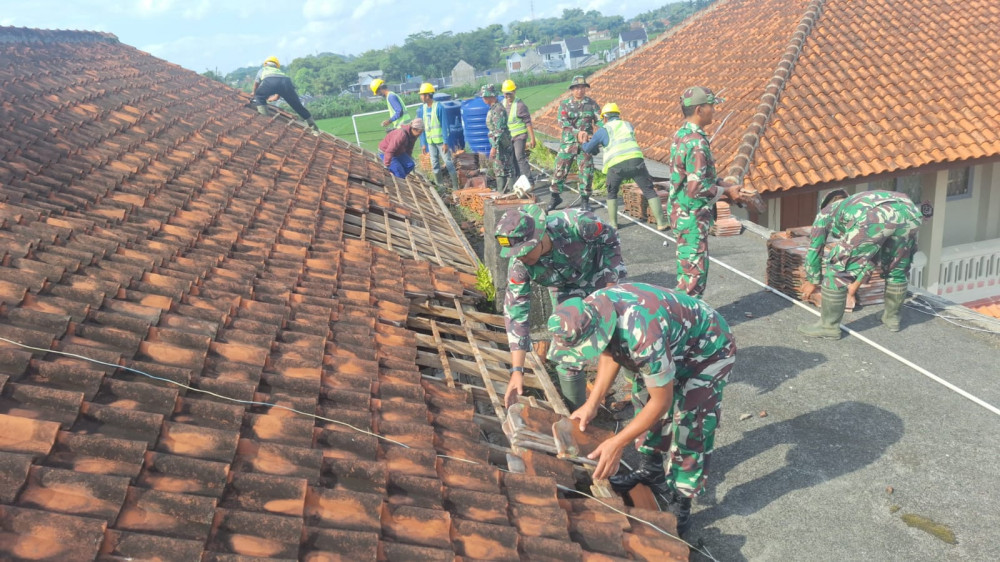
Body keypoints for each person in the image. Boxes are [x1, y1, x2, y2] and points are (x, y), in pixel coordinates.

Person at [547, 282, 736, 533]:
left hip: (707, 349)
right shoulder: (592, 308)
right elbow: (609, 351)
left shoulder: (642, 333)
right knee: (643, 398)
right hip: (669, 341)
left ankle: (681, 498)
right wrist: (592, 404)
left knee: (692, 422)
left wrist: (618, 442)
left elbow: (663, 401)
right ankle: (652, 469)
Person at [496, 204, 625, 409]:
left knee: (617, 336)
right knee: (566, 351)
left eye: (525, 251)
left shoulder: (578, 225)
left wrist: (610, 287)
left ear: (539, 237)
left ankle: (635, 385)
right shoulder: (520, 265)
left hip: (597, 273)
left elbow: (610, 239)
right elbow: (516, 313)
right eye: (516, 253)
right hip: (563, 287)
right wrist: (517, 370)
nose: (521, 257)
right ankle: (580, 414)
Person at [799, 190, 929, 337]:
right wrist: (853, 288)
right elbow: (872, 255)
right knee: (897, 268)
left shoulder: (825, 212)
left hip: (873, 218)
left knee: (837, 268)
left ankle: (828, 327)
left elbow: (815, 249)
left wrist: (813, 280)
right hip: (909, 212)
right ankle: (892, 318)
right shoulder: (858, 202)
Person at [668, 86, 745, 298]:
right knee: (693, 279)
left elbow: (691, 176)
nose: (714, 110)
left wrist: (723, 184)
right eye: (711, 106)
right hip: (691, 216)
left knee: (687, 274)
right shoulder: (697, 143)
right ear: (700, 110)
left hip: (682, 212)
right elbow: (696, 188)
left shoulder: (682, 134)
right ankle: (686, 324)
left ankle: (682, 319)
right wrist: (726, 193)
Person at [581, 102, 668, 230]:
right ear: (618, 115)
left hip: (616, 166)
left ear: (605, 118)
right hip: (636, 163)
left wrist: (584, 140)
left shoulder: (603, 130)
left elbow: (589, 149)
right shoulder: (628, 125)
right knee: (649, 191)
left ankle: (614, 224)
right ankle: (661, 223)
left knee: (612, 193)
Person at [549, 75, 601, 212]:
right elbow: (563, 122)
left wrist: (606, 131)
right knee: (559, 170)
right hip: (568, 143)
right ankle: (555, 197)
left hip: (585, 144)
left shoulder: (592, 104)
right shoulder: (565, 104)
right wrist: (577, 132)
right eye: (577, 88)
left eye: (582, 87)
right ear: (572, 89)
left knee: (587, 172)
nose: (580, 90)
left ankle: (585, 200)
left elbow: (599, 121)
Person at [251, 56, 318, 132]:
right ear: (276, 65)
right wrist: (274, 98)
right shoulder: (279, 71)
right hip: (286, 82)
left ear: (266, 64)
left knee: (259, 97)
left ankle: (266, 121)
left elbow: (256, 83)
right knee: (297, 105)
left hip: (270, 81)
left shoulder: (262, 70)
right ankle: (314, 128)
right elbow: (279, 88)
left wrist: (254, 93)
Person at [416, 82, 460, 192]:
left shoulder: (439, 107)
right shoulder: (423, 109)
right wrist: (423, 143)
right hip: (430, 141)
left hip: (441, 141)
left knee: (448, 162)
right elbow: (422, 127)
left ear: (427, 95)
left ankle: (455, 187)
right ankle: (440, 186)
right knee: (434, 164)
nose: (421, 97)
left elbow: (445, 126)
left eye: (422, 94)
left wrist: (445, 142)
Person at [482, 84, 517, 193]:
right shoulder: (494, 108)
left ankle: (507, 191)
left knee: (503, 167)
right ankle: (503, 191)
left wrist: (494, 147)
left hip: (501, 144)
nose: (483, 99)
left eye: (484, 96)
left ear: (489, 96)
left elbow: (499, 131)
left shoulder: (498, 109)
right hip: (498, 143)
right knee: (500, 167)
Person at [501, 79, 537, 182]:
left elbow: (528, 122)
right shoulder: (502, 103)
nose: (508, 96)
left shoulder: (520, 105)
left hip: (519, 136)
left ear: (514, 91)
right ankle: (518, 180)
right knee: (512, 159)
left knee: (519, 157)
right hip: (508, 137)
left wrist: (532, 138)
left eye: (510, 94)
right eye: (506, 94)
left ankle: (530, 181)